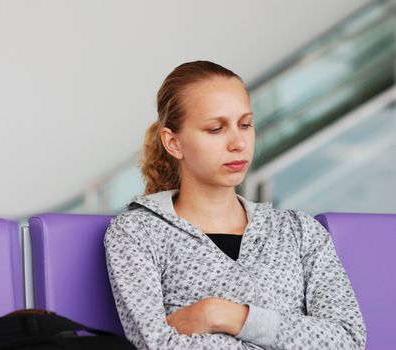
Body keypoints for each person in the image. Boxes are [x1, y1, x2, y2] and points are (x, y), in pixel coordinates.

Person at [103, 60, 366, 349]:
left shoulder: (299, 230)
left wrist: (225, 315)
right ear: (173, 143)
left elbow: (348, 340)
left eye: (245, 124)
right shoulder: (137, 233)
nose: (238, 142)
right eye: (216, 129)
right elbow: (155, 344)